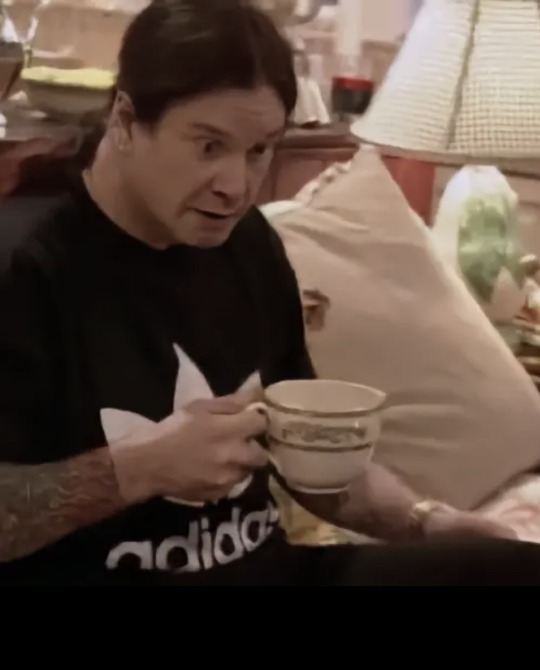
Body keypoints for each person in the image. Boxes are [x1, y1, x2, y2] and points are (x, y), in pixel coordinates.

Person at [0, 0, 539, 586]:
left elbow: (309, 454)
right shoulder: (26, 264)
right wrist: (137, 469)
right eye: (208, 146)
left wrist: (426, 522)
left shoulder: (248, 242)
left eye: (258, 150)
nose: (236, 187)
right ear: (126, 121)